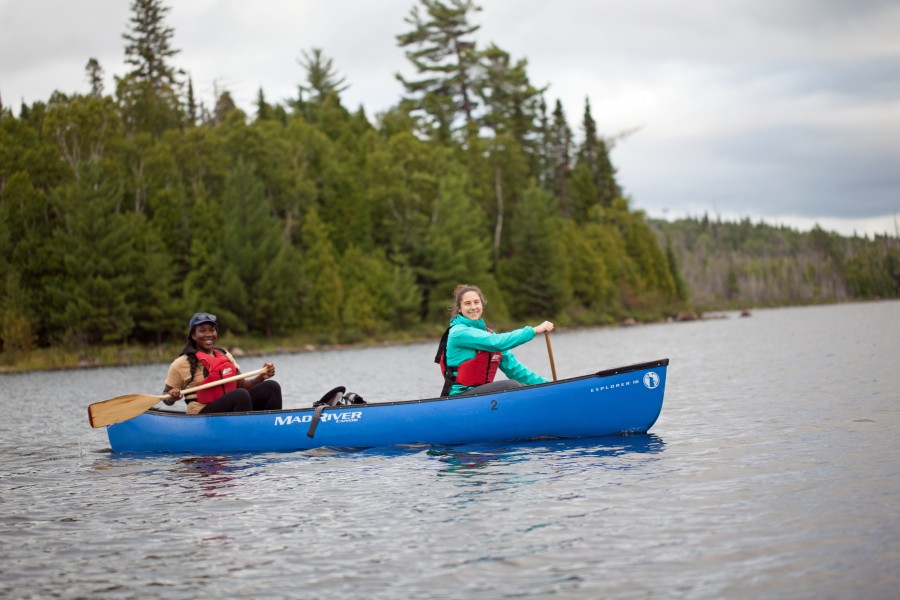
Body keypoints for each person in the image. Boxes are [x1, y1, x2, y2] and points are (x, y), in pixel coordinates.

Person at [435, 284, 555, 397]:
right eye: (467, 303)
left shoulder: (488, 334)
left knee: (526, 387)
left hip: (481, 396)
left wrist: (546, 384)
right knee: (511, 386)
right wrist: (533, 330)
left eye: (476, 302)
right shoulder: (458, 332)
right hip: (460, 398)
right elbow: (498, 342)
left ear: (482, 305)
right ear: (459, 309)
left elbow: (514, 369)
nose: (473, 307)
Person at [163, 312, 282, 414]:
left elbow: (241, 385)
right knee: (240, 395)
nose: (208, 334)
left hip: (232, 406)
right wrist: (172, 396)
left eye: (212, 330)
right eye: (202, 331)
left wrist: (261, 377)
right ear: (193, 335)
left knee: (271, 387)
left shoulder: (225, 355)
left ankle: (274, 429)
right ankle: (245, 434)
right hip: (201, 415)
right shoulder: (180, 364)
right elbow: (166, 398)